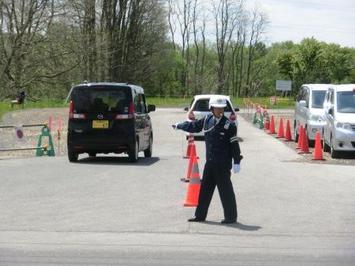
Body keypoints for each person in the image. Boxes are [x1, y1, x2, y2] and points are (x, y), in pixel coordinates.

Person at [172, 96, 243, 224]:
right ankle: (200, 215)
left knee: (226, 191)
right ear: (211, 108)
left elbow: (234, 145)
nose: (220, 111)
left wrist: (237, 161)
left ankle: (231, 217)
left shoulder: (229, 125)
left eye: (222, 108)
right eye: (217, 108)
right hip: (210, 163)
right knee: (205, 190)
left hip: (222, 164)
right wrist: (180, 126)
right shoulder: (207, 120)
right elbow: (194, 126)